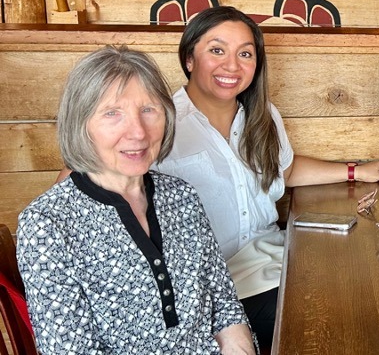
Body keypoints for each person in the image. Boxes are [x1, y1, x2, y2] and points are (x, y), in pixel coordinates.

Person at [155, 6, 379, 347]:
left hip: (276, 258)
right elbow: (88, 177)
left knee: (369, 279)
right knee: (333, 321)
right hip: (216, 287)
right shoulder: (160, 121)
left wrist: (356, 170)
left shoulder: (261, 113)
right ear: (189, 59)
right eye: (217, 50)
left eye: (245, 54)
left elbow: (285, 170)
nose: (232, 65)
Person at [18, 46, 255, 354]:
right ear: (81, 124)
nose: (138, 132)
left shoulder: (181, 196)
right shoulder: (47, 224)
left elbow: (224, 307)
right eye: (112, 113)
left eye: (149, 110)